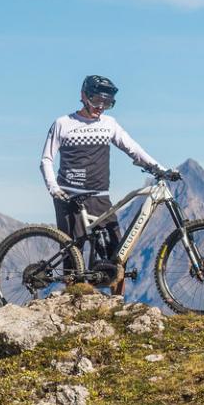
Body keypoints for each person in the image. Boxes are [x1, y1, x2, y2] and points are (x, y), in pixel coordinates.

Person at [40, 74, 171, 291]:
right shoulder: (62, 124)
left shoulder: (109, 124)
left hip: (100, 196)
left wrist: (159, 168)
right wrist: (53, 189)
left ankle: (117, 303)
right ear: (83, 96)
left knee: (117, 255)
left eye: (107, 103)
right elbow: (46, 159)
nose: (101, 107)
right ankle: (71, 303)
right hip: (69, 196)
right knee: (72, 257)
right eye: (97, 101)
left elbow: (133, 149)